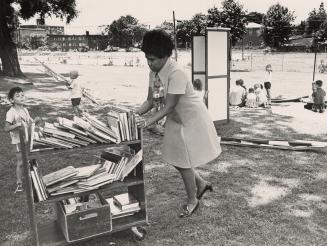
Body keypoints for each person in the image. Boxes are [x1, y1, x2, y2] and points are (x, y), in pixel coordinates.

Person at [136, 29, 221, 218]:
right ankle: (201, 184)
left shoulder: (177, 73)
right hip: (175, 118)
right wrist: (134, 113)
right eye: (147, 59)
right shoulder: (154, 73)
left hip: (191, 117)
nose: (149, 64)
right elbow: (150, 101)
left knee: (182, 160)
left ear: (166, 56)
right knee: (174, 157)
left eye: (153, 60)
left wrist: (147, 122)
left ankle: (193, 200)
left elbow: (168, 106)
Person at [4, 87, 40, 193]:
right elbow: (6, 128)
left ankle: (34, 180)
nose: (21, 97)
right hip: (17, 142)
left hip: (27, 139)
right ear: (11, 100)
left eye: (22, 95)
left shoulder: (25, 109)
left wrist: (35, 121)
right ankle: (19, 184)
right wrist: (17, 124)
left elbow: (29, 123)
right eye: (17, 96)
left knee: (32, 159)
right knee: (21, 162)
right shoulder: (11, 113)